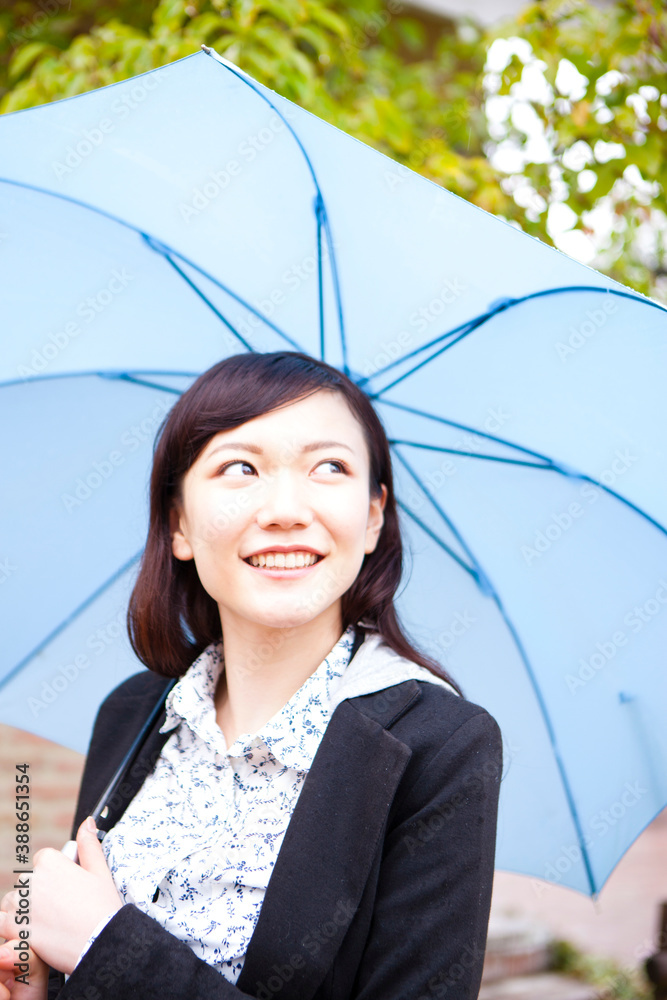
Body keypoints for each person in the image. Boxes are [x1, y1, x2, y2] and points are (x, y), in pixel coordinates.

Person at [0, 350, 503, 1000]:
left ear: (374, 516)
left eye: (329, 466)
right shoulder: (134, 711)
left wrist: (105, 946)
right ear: (179, 523)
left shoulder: (439, 746)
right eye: (240, 467)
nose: (285, 509)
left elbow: (97, 942)